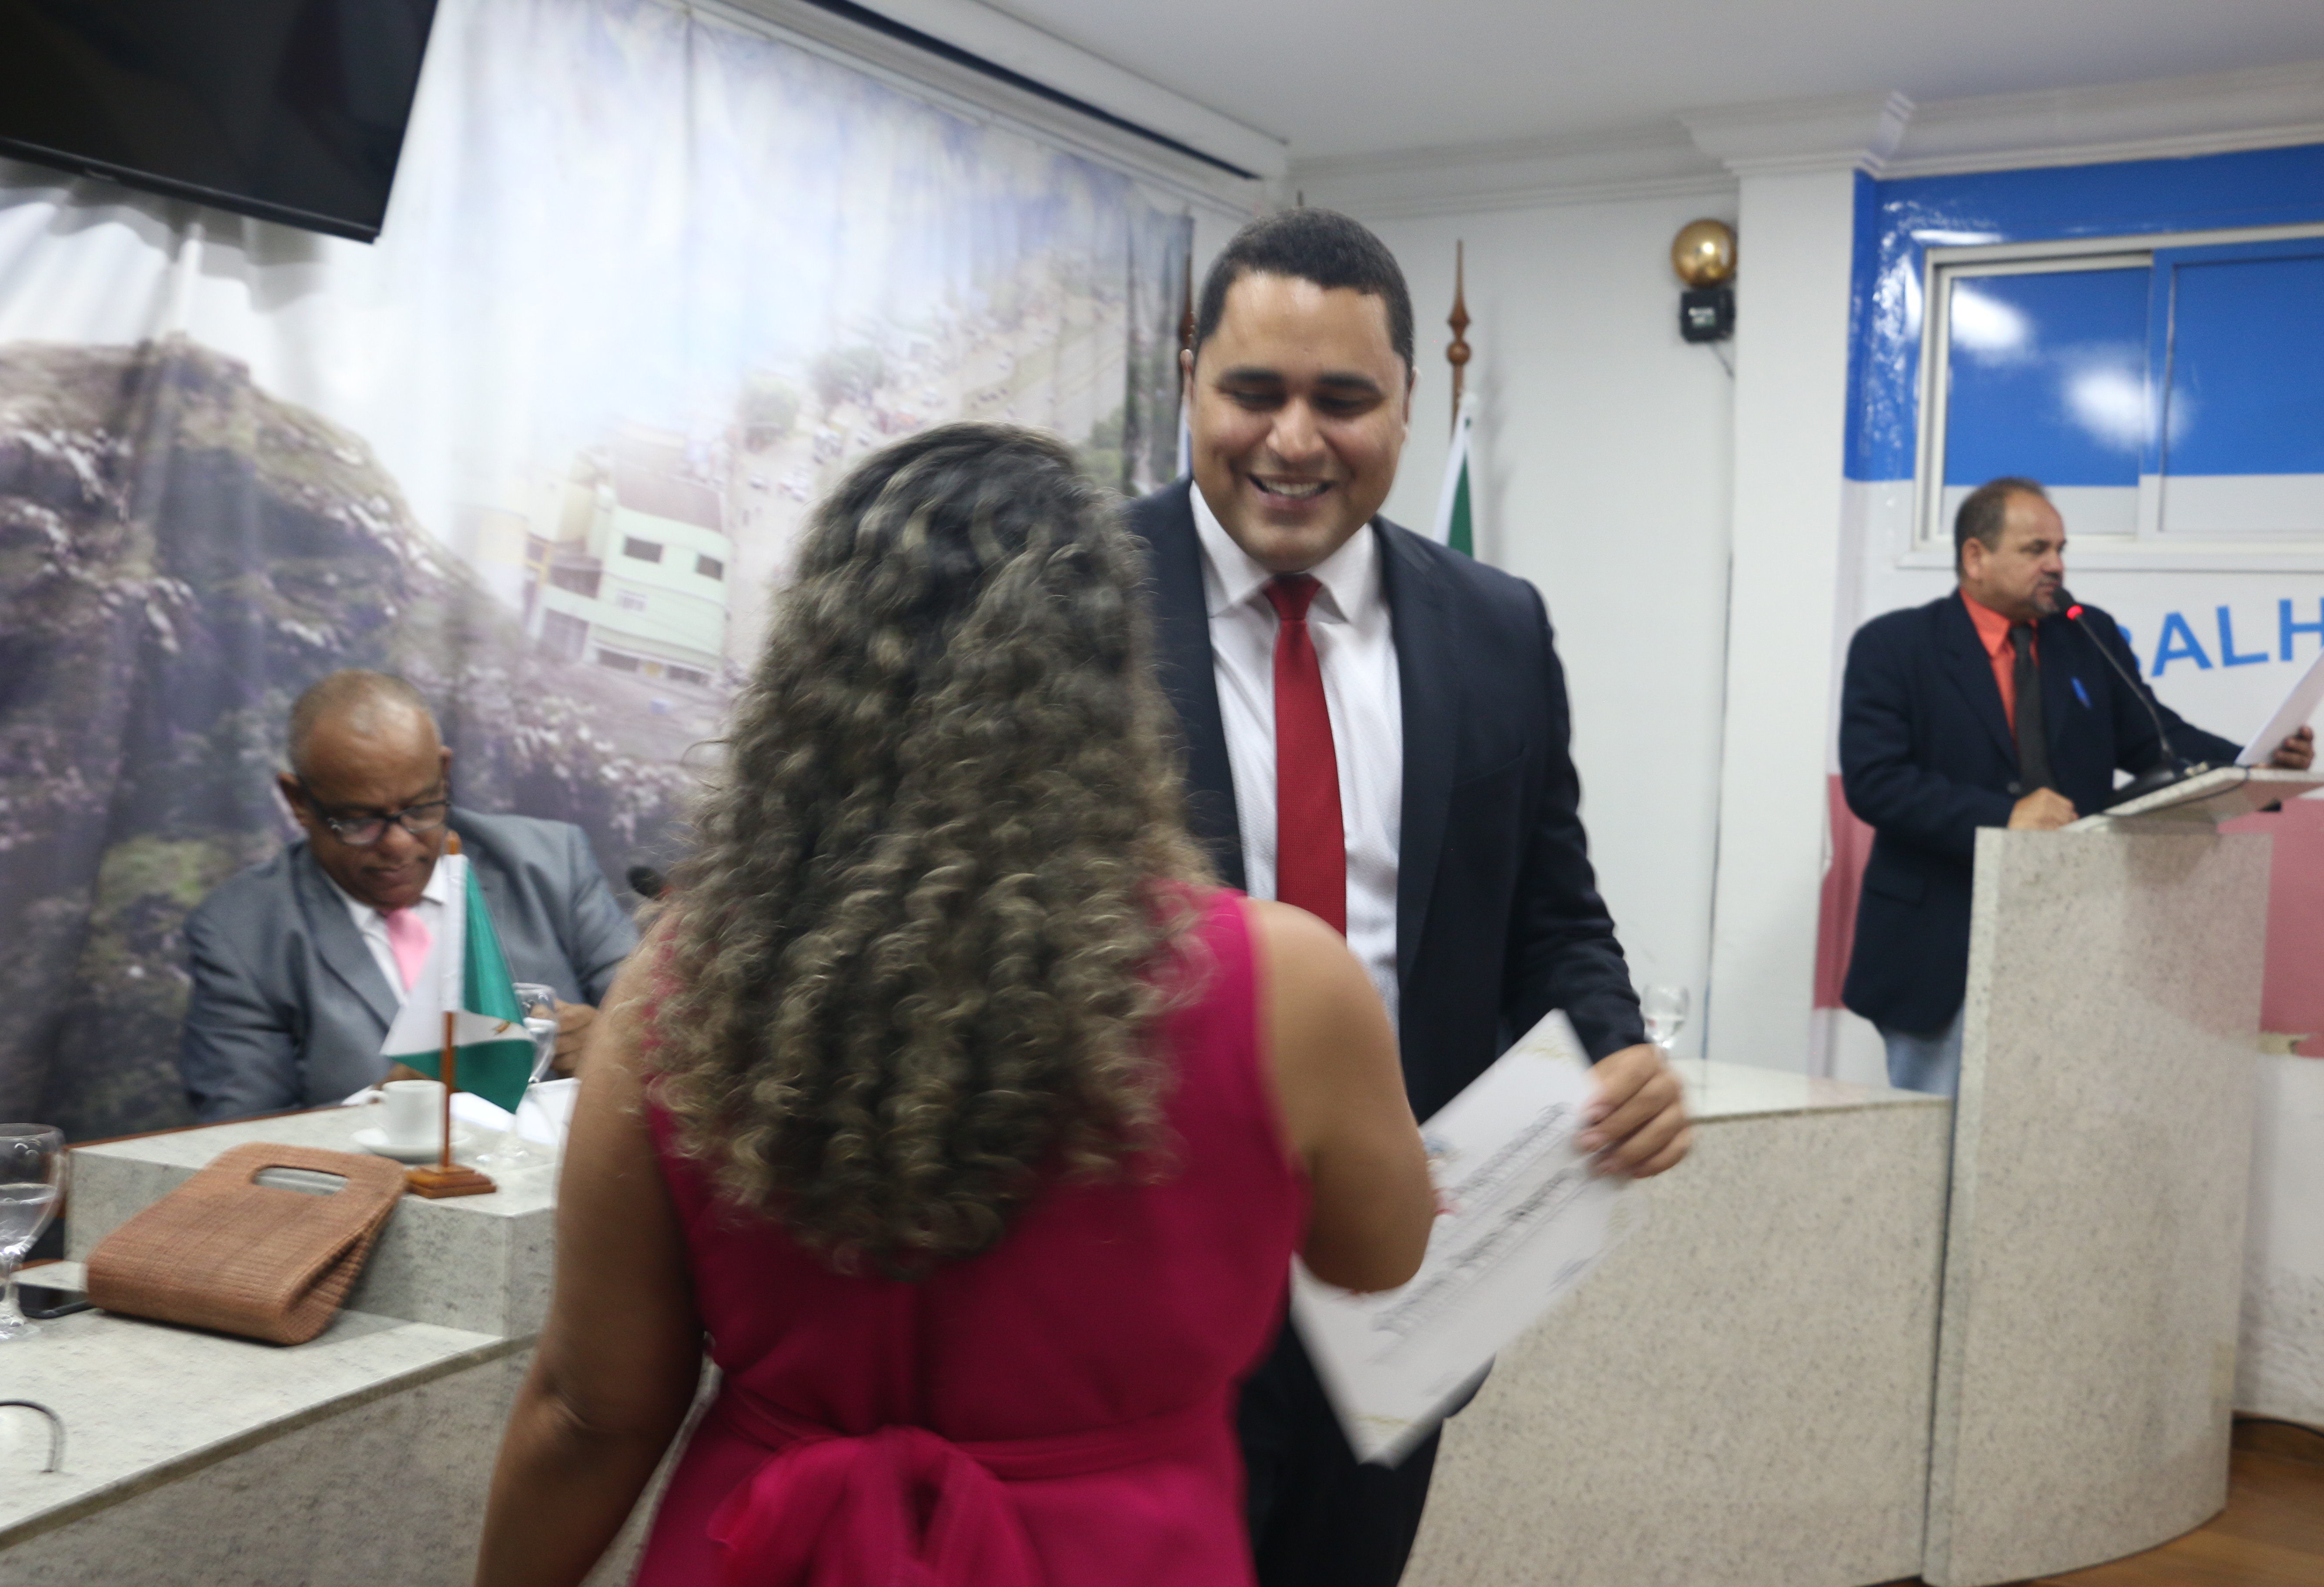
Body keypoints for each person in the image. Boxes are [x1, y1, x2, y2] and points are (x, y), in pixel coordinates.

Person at [474, 424, 1437, 1587]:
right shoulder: (1285, 987)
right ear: (1106, 680)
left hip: (767, 1550)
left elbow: (594, 1411)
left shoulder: (684, 983)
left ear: (812, 674)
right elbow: (1380, 1254)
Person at [1128, 207, 1692, 1587]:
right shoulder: (1068, 604)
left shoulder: (1498, 627)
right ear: (1190, 382)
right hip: (1138, 1278)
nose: (1294, 439)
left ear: (1406, 407)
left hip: (1406, 1279)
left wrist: (1615, 1044)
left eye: (1342, 399)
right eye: (1253, 391)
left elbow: (1551, 907)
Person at [1839, 477, 2316, 1094]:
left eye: (2060, 549)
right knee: (1940, 1135)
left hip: (2074, 931)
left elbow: (2155, 739)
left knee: (2055, 1128)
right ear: (1975, 557)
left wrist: (2257, 764)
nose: (2056, 566)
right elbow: (1877, 783)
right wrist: (2005, 816)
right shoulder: (1894, 646)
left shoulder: (2087, 634)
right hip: (1940, 945)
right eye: (2035, 549)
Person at [176, 671, 638, 1120]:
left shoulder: (551, 864)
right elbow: (236, 1136)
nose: (398, 844)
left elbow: (661, 1035)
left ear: (444, 774)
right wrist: (383, 1106)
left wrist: (611, 1050)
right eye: (360, 821)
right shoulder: (241, 934)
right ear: (298, 801)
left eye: (420, 810)